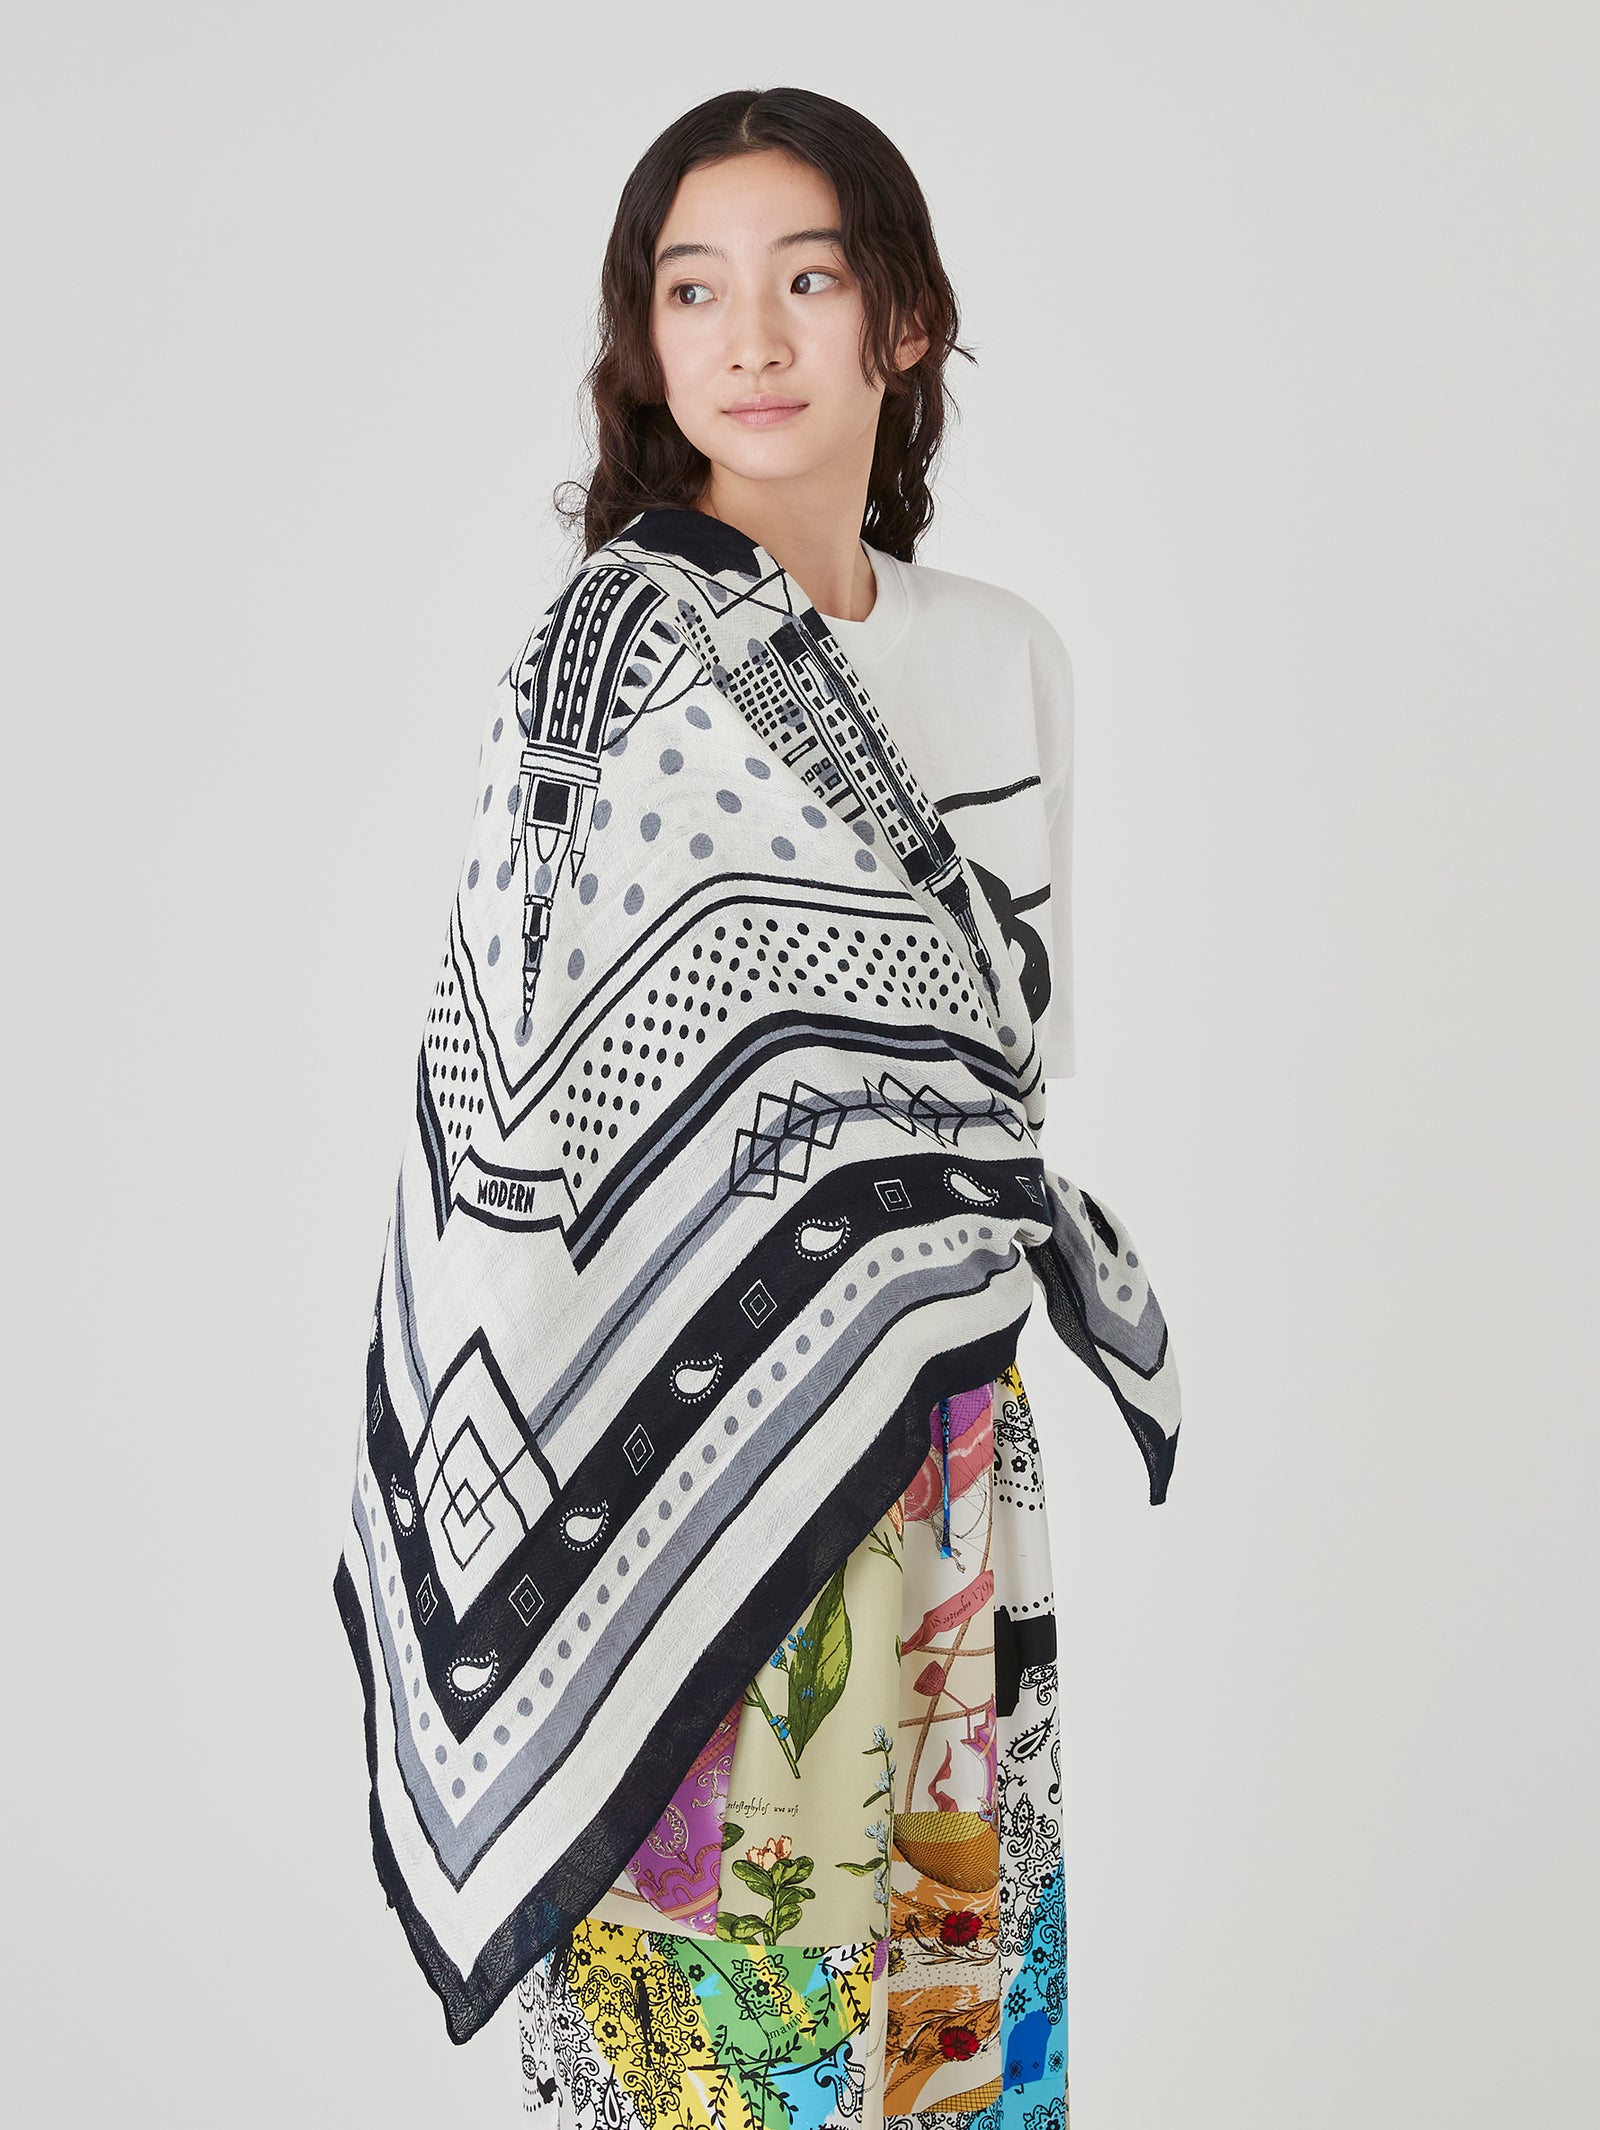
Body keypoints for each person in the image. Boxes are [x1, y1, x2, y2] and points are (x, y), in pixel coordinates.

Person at [511, 87, 1078, 2127]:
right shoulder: (608, 662)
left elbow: (1020, 1068)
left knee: (949, 2036)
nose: (746, 338)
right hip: (684, 1448)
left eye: (805, 280)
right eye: (692, 291)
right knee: (719, 2050)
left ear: (900, 321)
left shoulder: (1001, 658)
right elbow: (524, 1107)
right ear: (645, 341)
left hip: (945, 1426)